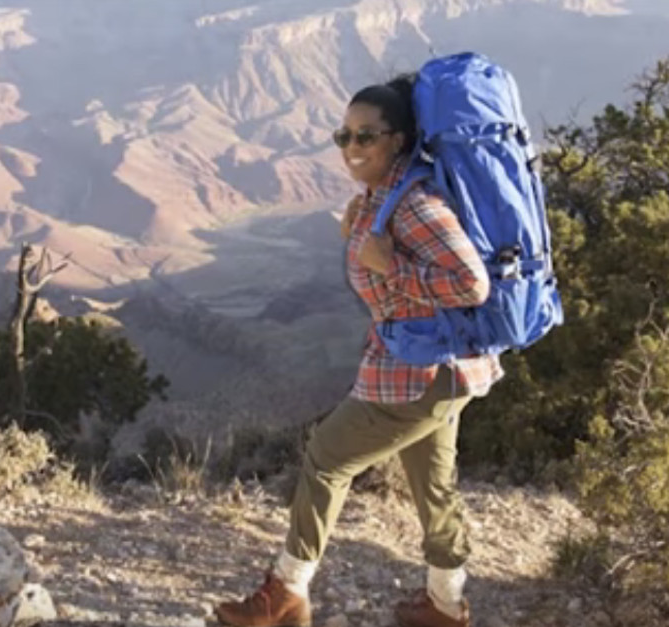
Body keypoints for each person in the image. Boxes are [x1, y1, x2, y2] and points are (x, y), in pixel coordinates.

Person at [214, 74, 503, 627]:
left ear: (397, 140)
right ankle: (445, 605)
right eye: (343, 136)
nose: (351, 147)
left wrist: (390, 265)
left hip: (419, 375)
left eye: (365, 136)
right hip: (441, 371)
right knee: (433, 483)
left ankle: (286, 594)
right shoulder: (387, 195)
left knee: (326, 457)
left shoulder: (414, 203)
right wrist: (359, 237)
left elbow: (471, 284)